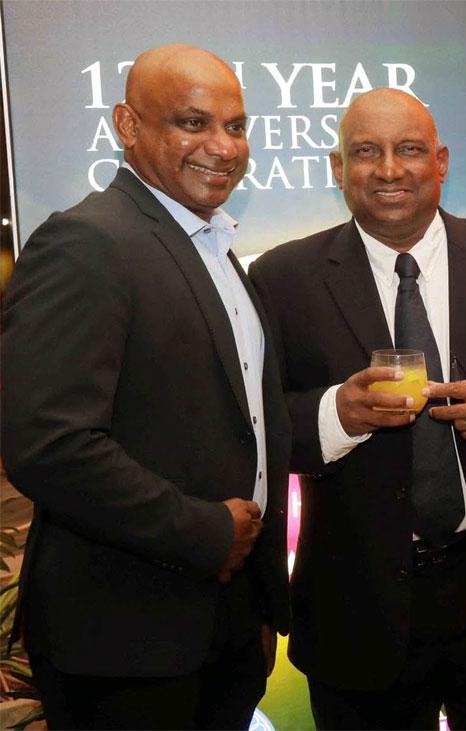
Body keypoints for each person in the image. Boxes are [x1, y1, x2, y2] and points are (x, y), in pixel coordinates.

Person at [248, 87, 466, 729]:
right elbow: (254, 424)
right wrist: (335, 416)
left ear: (440, 162)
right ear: (337, 168)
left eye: (409, 149)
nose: (389, 169)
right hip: (357, 605)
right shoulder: (281, 279)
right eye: (367, 152)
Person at [1, 45, 290, 729]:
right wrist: (205, 531)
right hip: (125, 641)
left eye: (236, 126)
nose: (223, 146)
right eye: (193, 123)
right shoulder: (87, 242)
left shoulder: (211, 246)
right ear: (127, 125)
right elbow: (47, 444)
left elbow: (238, 419)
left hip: (222, 624)